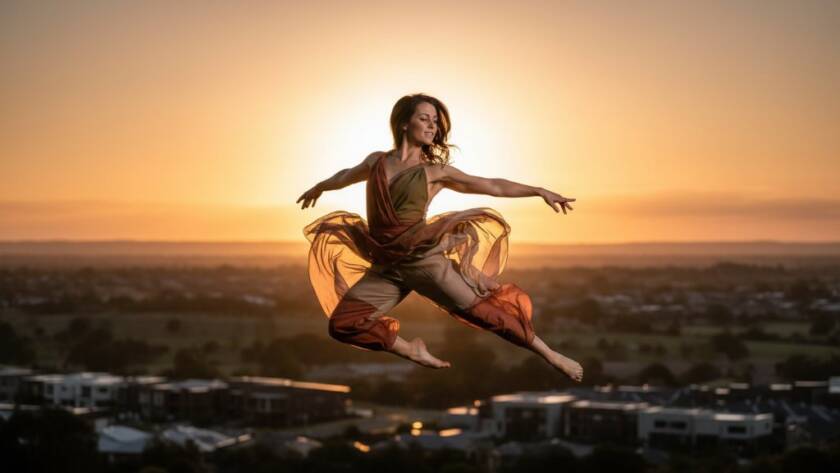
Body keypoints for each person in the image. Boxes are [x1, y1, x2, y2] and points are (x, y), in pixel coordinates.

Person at [297, 93, 583, 382]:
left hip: (423, 262)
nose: (432, 126)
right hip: (386, 266)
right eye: (424, 118)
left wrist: (539, 190)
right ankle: (412, 350)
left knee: (486, 315)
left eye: (435, 121)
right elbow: (345, 175)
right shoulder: (377, 162)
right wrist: (320, 187)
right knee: (342, 324)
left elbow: (493, 186)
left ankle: (550, 354)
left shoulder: (435, 172)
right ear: (404, 123)